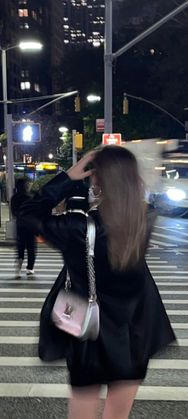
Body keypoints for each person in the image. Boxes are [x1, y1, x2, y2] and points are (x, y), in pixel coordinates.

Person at [20, 146, 176, 419]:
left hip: (87, 332)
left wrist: (67, 178)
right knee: (118, 415)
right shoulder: (144, 219)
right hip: (134, 333)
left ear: (96, 178)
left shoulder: (78, 228)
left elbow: (28, 213)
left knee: (83, 410)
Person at [11, 178, 36, 278]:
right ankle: (30, 268)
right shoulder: (30, 198)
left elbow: (14, 212)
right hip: (30, 225)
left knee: (20, 247)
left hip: (20, 224)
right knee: (31, 247)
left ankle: (18, 267)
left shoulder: (14, 198)